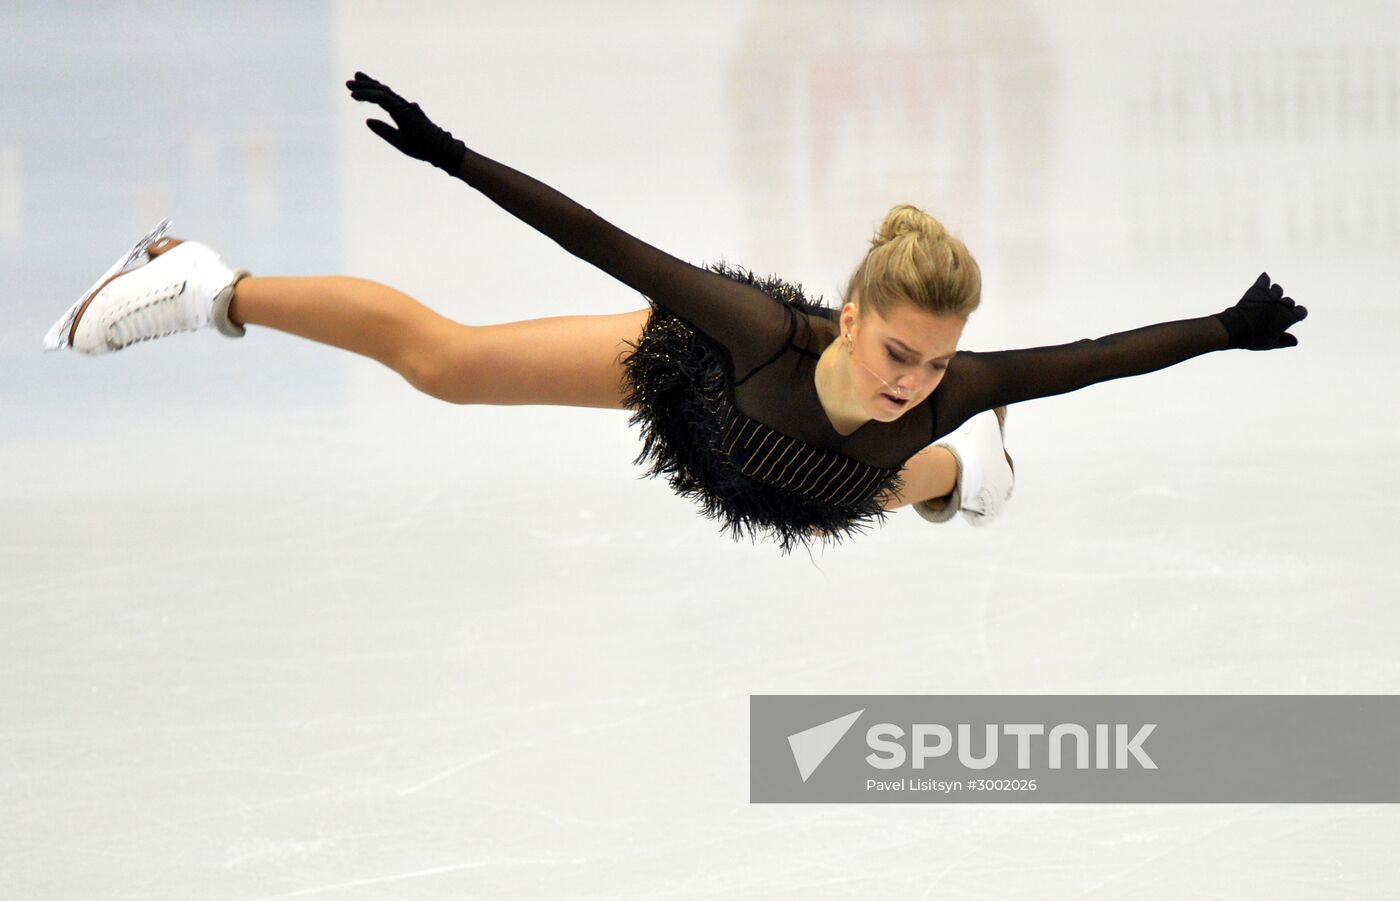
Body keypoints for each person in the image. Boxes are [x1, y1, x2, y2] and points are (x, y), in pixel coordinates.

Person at [43, 73, 1308, 554]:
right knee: (441, 365)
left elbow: (1091, 360)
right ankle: (206, 279)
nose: (916, 371)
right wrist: (456, 156)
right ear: (851, 314)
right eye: (897, 350)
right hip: (697, 392)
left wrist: (1218, 327)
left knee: (893, 476)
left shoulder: (944, 387)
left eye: (937, 363)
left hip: (812, 474)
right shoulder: (757, 333)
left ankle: (961, 478)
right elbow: (598, 236)